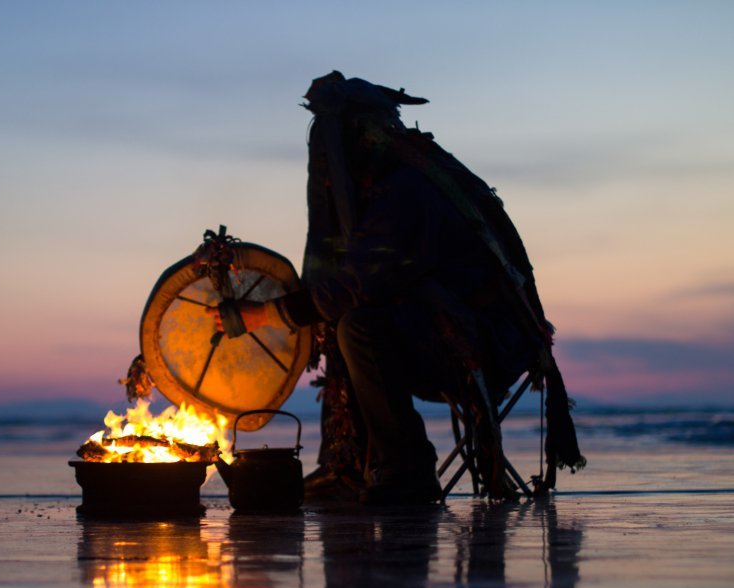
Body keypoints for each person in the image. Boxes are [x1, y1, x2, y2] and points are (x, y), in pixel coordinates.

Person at [210, 71, 579, 504]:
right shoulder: (412, 175)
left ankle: (407, 472)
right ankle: (356, 467)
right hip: (475, 328)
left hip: (488, 342)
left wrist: (262, 314)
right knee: (353, 321)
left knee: (358, 328)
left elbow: (356, 283)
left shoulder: (406, 192)